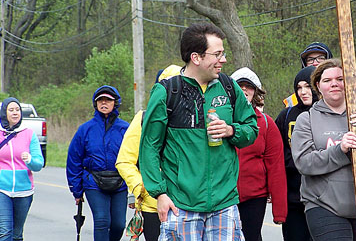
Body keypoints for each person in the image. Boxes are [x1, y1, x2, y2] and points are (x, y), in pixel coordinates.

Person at [139, 22, 258, 241]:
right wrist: (160, 193)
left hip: (224, 204)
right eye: (217, 54)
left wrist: (231, 130)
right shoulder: (166, 92)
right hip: (180, 205)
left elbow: (251, 129)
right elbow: (149, 148)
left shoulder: (229, 87)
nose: (223, 60)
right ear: (196, 57)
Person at [291, 59, 356, 241]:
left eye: (340, 79)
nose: (334, 84)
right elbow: (304, 163)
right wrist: (341, 150)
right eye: (327, 80)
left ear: (349, 83)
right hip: (323, 205)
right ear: (318, 86)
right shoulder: (306, 119)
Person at [116, 65, 182, 241]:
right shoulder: (143, 118)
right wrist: (141, 188)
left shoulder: (196, 118)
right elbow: (124, 161)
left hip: (191, 205)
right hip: (154, 206)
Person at [231, 67, 287, 241]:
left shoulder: (267, 124)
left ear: (256, 92)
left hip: (254, 196)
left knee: (251, 237)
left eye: (249, 86)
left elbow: (276, 166)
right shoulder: (219, 120)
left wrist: (279, 212)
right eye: (240, 85)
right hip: (223, 195)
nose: (244, 90)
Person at [66, 85, 129, 241]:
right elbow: (74, 160)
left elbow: (135, 158)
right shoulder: (85, 129)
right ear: (95, 104)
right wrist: (77, 190)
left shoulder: (126, 129)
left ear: (116, 103)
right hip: (94, 182)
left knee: (118, 225)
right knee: (102, 221)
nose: (104, 103)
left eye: (108, 100)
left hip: (120, 182)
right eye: (100, 100)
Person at [0, 97, 44, 241]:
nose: (15, 113)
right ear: (4, 113)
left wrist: (29, 160)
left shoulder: (28, 133)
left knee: (17, 235)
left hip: (24, 190)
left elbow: (38, 164)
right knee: (5, 232)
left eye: (17, 110)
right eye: (11, 110)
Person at [275, 66, 317, 241]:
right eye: (299, 88)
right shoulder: (287, 115)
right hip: (293, 196)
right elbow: (276, 151)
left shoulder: (329, 114)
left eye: (307, 87)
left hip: (322, 197)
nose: (303, 92)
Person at [283, 42, 333, 108]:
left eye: (320, 58)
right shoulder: (293, 100)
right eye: (310, 60)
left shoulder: (340, 91)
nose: (315, 63)